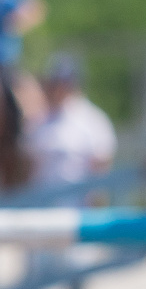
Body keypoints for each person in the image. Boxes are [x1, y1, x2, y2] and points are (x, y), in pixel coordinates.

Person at [21, 53, 116, 195]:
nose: (57, 89)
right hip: (40, 209)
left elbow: (101, 169)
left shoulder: (93, 120)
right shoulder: (37, 120)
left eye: (62, 84)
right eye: (53, 84)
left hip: (77, 210)